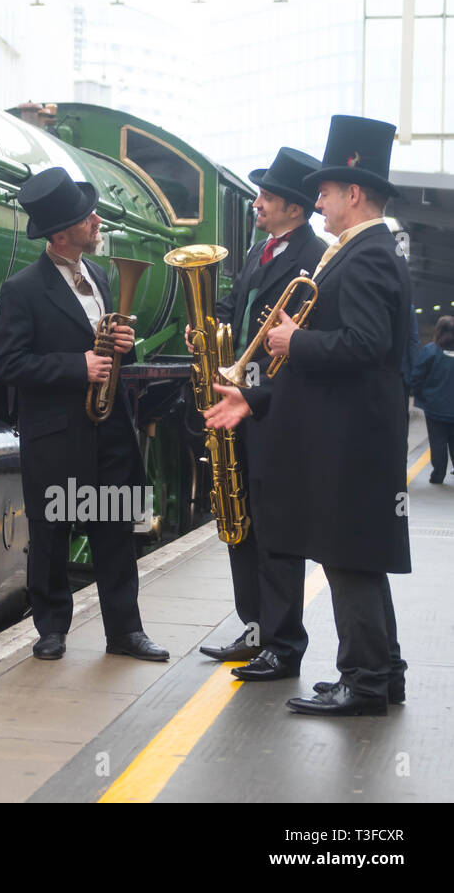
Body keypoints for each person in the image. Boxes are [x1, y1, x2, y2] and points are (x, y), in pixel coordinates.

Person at [206, 115, 411, 716]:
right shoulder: (360, 250)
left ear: (353, 193)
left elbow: (367, 344)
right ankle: (381, 672)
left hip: (351, 439)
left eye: (323, 192)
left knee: (349, 558)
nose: (316, 202)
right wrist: (255, 395)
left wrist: (294, 342)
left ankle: (366, 681)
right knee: (358, 557)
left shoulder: (368, 255)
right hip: (344, 433)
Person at [0, 166, 168, 663]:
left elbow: (111, 353)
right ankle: (51, 630)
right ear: (61, 232)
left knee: (114, 528)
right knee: (52, 532)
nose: (95, 221)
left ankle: (126, 632)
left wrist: (124, 348)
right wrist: (76, 366)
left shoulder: (102, 277)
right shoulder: (22, 289)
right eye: (84, 217)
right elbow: (5, 363)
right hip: (56, 432)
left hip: (109, 427)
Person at [196, 147, 326, 683]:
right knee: (238, 517)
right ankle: (254, 631)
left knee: (275, 529)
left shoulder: (314, 256)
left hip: (272, 405)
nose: (258, 204)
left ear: (294, 208)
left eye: (267, 197)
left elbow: (299, 340)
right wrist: (208, 326)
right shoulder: (260, 252)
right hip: (236, 399)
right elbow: (236, 305)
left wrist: (255, 388)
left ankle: (283, 643)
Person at [414, 315, 454, 484]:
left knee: (437, 443)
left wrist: (422, 397)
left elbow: (417, 376)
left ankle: (438, 475)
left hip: (435, 408)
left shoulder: (431, 351)